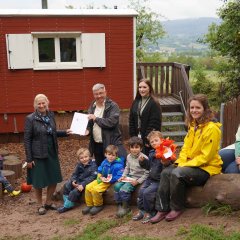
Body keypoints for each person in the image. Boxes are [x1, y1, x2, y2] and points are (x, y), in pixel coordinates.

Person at [150, 94, 222, 223]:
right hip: (190, 164)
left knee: (177, 173)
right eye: (191, 107)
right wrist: (180, 162)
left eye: (198, 107)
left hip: (206, 168)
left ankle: (177, 207)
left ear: (205, 109)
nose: (194, 110)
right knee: (166, 172)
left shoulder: (212, 129)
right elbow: (185, 148)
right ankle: (161, 209)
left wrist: (184, 165)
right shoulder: (193, 125)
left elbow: (206, 157)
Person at [24, 94, 71, 215]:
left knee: (53, 178)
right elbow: (27, 139)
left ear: (47, 103)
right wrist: (29, 159)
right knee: (39, 181)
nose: (41, 105)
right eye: (38, 103)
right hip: (37, 154)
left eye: (43, 103)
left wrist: (65, 132)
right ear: (35, 105)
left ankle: (48, 202)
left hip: (52, 151)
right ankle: (39, 205)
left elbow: (52, 132)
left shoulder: (50, 115)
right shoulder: (30, 119)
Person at [86, 83, 127, 166]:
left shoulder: (113, 106)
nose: (99, 96)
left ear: (105, 92)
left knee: (113, 168)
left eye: (101, 93)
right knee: (101, 168)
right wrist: (88, 130)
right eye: (96, 94)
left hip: (111, 143)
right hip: (96, 144)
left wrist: (96, 118)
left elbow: (111, 122)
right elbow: (90, 123)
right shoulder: (92, 106)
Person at [132, 131, 165, 224]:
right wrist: (143, 162)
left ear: (161, 140)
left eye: (156, 140)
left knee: (147, 193)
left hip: (159, 180)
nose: (154, 143)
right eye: (152, 142)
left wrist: (164, 161)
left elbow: (168, 166)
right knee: (141, 191)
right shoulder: (151, 153)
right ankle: (142, 210)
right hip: (150, 178)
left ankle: (151, 212)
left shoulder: (165, 151)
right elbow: (148, 166)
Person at [82, 145, 124, 215]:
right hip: (101, 178)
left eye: (113, 155)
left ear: (116, 156)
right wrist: (100, 176)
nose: (110, 157)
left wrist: (110, 180)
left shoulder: (119, 165)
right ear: (105, 154)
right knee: (88, 187)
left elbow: (119, 176)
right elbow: (100, 169)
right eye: (109, 154)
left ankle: (98, 205)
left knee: (95, 190)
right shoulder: (105, 161)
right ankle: (89, 205)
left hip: (109, 181)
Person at [114, 136, 149, 218]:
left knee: (124, 189)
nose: (134, 149)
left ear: (141, 148)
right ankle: (120, 204)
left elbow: (147, 173)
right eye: (132, 147)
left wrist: (138, 181)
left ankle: (126, 207)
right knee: (117, 186)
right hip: (130, 176)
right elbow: (127, 168)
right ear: (129, 148)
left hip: (137, 177)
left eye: (137, 147)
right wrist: (123, 176)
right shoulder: (129, 156)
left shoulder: (144, 158)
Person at [57, 148, 98, 213]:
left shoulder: (93, 165)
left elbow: (93, 177)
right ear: (79, 159)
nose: (84, 159)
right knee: (67, 185)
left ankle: (67, 206)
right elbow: (75, 174)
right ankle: (68, 202)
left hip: (86, 183)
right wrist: (74, 180)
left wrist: (83, 184)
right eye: (81, 158)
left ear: (89, 156)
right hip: (79, 181)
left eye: (86, 157)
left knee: (75, 192)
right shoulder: (79, 164)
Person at [129, 79, 162, 156]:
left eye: (144, 87)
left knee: (148, 161)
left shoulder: (154, 103)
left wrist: (147, 139)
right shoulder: (136, 101)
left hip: (148, 140)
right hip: (137, 137)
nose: (141, 89)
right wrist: (134, 138)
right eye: (140, 87)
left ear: (149, 88)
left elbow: (154, 123)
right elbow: (131, 120)